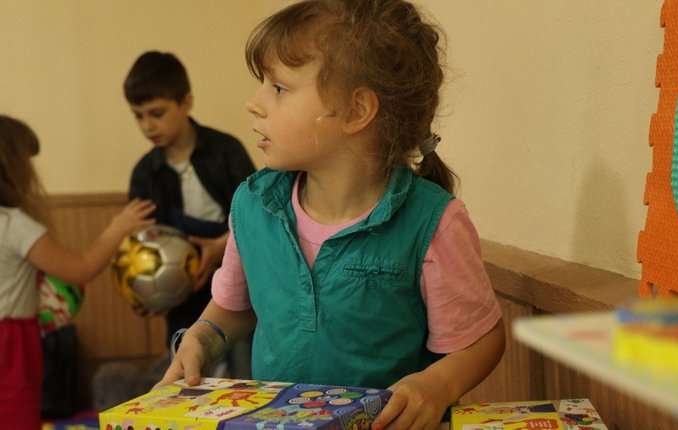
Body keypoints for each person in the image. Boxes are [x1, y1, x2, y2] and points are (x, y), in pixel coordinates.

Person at [161, 1, 505, 429]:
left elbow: (481, 340)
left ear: (357, 111)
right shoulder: (252, 205)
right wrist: (202, 338)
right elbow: (234, 307)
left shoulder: (434, 222)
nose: (254, 103)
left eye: (279, 88)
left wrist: (438, 385)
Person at [0, 115, 155, 430]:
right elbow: (80, 269)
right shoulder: (14, 225)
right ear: (12, 168)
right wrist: (118, 228)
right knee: (16, 415)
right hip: (10, 342)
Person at [124, 51, 256, 374]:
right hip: (181, 294)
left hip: (238, 284)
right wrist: (142, 286)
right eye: (138, 116)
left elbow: (257, 218)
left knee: (243, 374)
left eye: (156, 113)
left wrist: (220, 247)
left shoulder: (226, 151)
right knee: (188, 375)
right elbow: (141, 244)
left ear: (186, 102)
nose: (147, 125)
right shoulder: (144, 173)